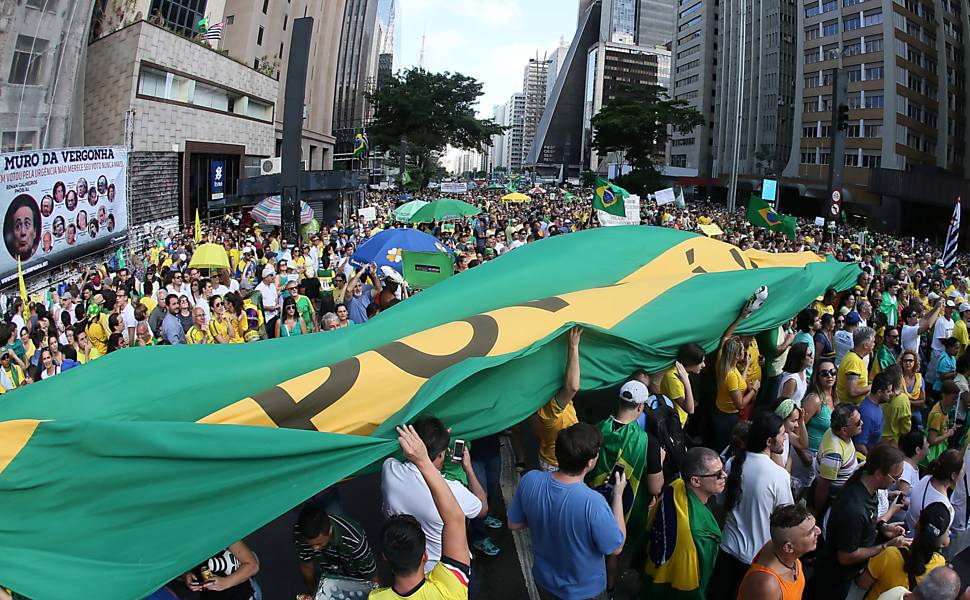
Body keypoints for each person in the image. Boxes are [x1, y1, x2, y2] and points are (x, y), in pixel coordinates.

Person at [508, 422, 625, 600]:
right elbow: (615, 547)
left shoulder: (530, 480)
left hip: (545, 581)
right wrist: (618, 495)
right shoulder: (593, 503)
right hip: (584, 591)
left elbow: (514, 523)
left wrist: (545, 518)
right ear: (590, 462)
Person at [370, 424, 471, 600]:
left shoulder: (376, 598)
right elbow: (455, 518)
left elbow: (455, 519)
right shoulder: (450, 590)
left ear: (385, 558)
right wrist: (423, 460)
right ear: (425, 555)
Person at [585, 379, 664, 596]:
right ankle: (609, 590)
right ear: (640, 407)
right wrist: (661, 461)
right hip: (625, 511)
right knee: (612, 552)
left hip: (591, 502)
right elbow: (656, 486)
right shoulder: (648, 441)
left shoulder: (596, 429)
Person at [381, 416, 486, 572]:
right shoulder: (453, 491)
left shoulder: (389, 469)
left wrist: (435, 442)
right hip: (443, 569)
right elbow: (482, 508)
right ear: (440, 455)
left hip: (404, 565)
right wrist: (468, 469)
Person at [806, 445, 907, 598]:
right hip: (833, 582)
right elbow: (846, 556)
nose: (895, 482)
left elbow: (866, 523)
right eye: (895, 478)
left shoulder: (869, 490)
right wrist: (885, 546)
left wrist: (882, 527)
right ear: (879, 474)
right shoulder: (854, 508)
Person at [712, 411, 792, 600]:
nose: (785, 437)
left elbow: (722, 503)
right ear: (769, 442)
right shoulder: (779, 476)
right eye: (781, 434)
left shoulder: (733, 463)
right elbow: (787, 521)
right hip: (756, 559)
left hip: (727, 548)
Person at [640, 447, 725, 600]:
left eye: (723, 470)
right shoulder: (699, 533)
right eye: (718, 474)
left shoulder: (676, 485)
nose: (724, 476)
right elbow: (703, 576)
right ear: (696, 481)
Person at [857, 502, 951, 600]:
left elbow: (862, 583)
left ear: (917, 523)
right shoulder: (939, 566)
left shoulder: (889, 555)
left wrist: (885, 545)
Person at [736, 504, 819, 600]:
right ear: (788, 548)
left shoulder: (779, 547)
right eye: (810, 532)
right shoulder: (767, 584)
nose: (818, 531)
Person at [293, 504, 378, 594]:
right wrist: (313, 592)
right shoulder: (301, 534)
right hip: (329, 576)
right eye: (310, 545)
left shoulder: (355, 540)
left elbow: (371, 575)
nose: (315, 549)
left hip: (356, 577)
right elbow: (306, 565)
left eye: (319, 544)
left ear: (330, 531)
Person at [532, 326, 582, 472]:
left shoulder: (540, 406)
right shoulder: (550, 411)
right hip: (557, 465)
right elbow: (572, 387)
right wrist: (573, 346)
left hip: (548, 457)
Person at [814, 403, 864, 515]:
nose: (862, 423)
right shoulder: (834, 455)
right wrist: (819, 512)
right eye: (857, 423)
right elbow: (823, 487)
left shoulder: (836, 432)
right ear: (844, 430)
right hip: (834, 500)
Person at [712, 336, 760, 453]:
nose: (745, 352)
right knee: (723, 447)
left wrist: (747, 366)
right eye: (742, 351)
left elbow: (740, 383)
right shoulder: (731, 376)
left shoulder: (723, 363)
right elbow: (740, 405)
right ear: (737, 356)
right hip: (727, 417)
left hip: (720, 412)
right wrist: (754, 389)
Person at [182, 541, 260, 599]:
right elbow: (174, 572)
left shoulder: (220, 530)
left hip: (242, 595)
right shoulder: (181, 540)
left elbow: (253, 566)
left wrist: (225, 582)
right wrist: (185, 575)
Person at [905, 449, 960, 533]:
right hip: (914, 538)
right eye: (963, 470)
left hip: (907, 525)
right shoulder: (946, 509)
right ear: (953, 475)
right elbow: (935, 539)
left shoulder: (927, 477)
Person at [660, 343, 704, 427]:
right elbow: (690, 409)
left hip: (680, 420)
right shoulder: (673, 377)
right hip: (673, 424)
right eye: (700, 362)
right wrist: (686, 381)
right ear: (691, 362)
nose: (703, 365)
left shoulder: (682, 372)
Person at [854, 371, 895, 456]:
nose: (891, 394)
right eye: (888, 391)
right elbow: (859, 445)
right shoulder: (867, 415)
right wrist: (871, 461)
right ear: (879, 392)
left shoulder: (875, 405)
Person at [837, 326, 876, 405]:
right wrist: (872, 387)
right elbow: (852, 391)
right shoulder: (853, 361)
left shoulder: (855, 357)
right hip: (850, 409)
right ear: (865, 345)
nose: (874, 344)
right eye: (873, 342)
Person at [925, 382, 959, 466]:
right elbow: (931, 440)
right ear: (944, 395)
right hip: (933, 455)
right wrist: (948, 434)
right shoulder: (937, 415)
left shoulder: (944, 407)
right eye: (953, 398)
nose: (955, 402)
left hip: (941, 449)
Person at [928, 301, 957, 386]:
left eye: (953, 309)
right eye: (950, 308)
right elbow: (942, 339)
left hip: (946, 353)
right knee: (932, 376)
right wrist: (953, 347)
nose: (951, 310)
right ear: (945, 309)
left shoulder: (952, 321)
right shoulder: (941, 322)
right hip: (938, 352)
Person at [779, 342, 813, 406]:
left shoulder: (803, 371)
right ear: (801, 359)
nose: (812, 357)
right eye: (809, 355)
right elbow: (784, 407)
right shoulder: (791, 380)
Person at [898, 430, 928, 499]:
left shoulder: (913, 467)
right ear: (917, 450)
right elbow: (900, 500)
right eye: (926, 443)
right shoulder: (906, 470)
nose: (928, 444)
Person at [256, 265, 280, 338]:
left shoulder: (272, 285)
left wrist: (276, 305)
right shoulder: (259, 289)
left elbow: (275, 298)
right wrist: (269, 308)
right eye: (271, 275)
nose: (273, 277)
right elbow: (258, 305)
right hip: (267, 318)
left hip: (275, 315)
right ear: (266, 277)